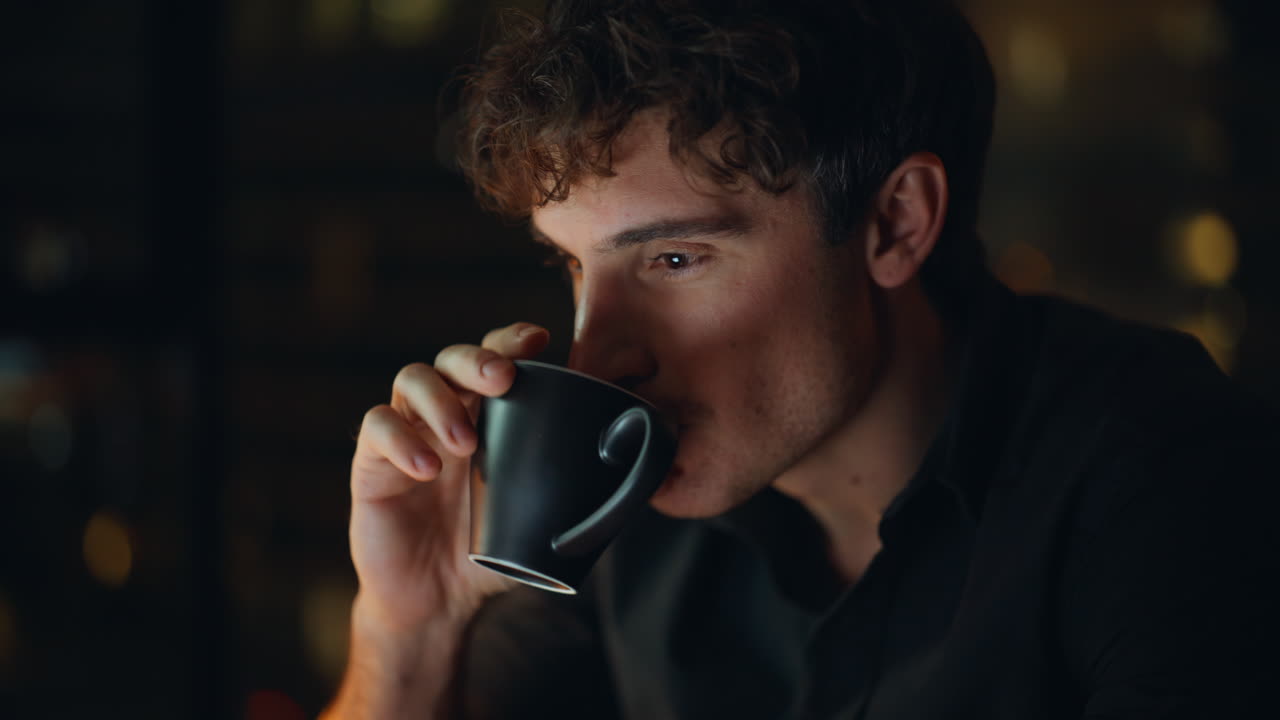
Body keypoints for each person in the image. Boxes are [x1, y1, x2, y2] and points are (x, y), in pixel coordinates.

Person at [321, 1, 1279, 717]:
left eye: (674, 259)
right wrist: (411, 629)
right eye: (575, 266)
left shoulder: (1169, 475)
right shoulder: (615, 504)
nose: (593, 354)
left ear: (895, 223)